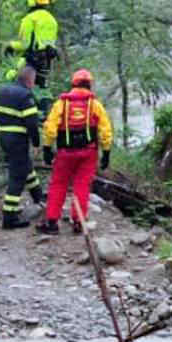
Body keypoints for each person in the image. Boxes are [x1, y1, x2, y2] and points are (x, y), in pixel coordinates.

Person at [39, 68, 112, 235]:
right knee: (82, 186)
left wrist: (47, 148)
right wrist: (106, 152)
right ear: (90, 85)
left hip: (65, 153)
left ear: (73, 83)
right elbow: (105, 130)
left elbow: (50, 128)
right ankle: (78, 221)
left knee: (58, 185)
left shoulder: (61, 104)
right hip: (88, 153)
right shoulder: (95, 105)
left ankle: (51, 223)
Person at [0, 65, 46, 230]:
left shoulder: (4, 91)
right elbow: (31, 122)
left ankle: (38, 196)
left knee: (25, 166)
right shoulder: (25, 95)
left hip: (4, 137)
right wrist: (37, 142)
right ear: (30, 80)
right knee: (17, 178)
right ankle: (9, 217)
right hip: (17, 139)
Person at [8, 0, 66, 89]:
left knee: (12, 80)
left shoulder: (29, 19)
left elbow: (24, 44)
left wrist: (10, 46)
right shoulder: (51, 20)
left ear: (31, 0)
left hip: (31, 62)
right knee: (42, 92)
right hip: (47, 64)